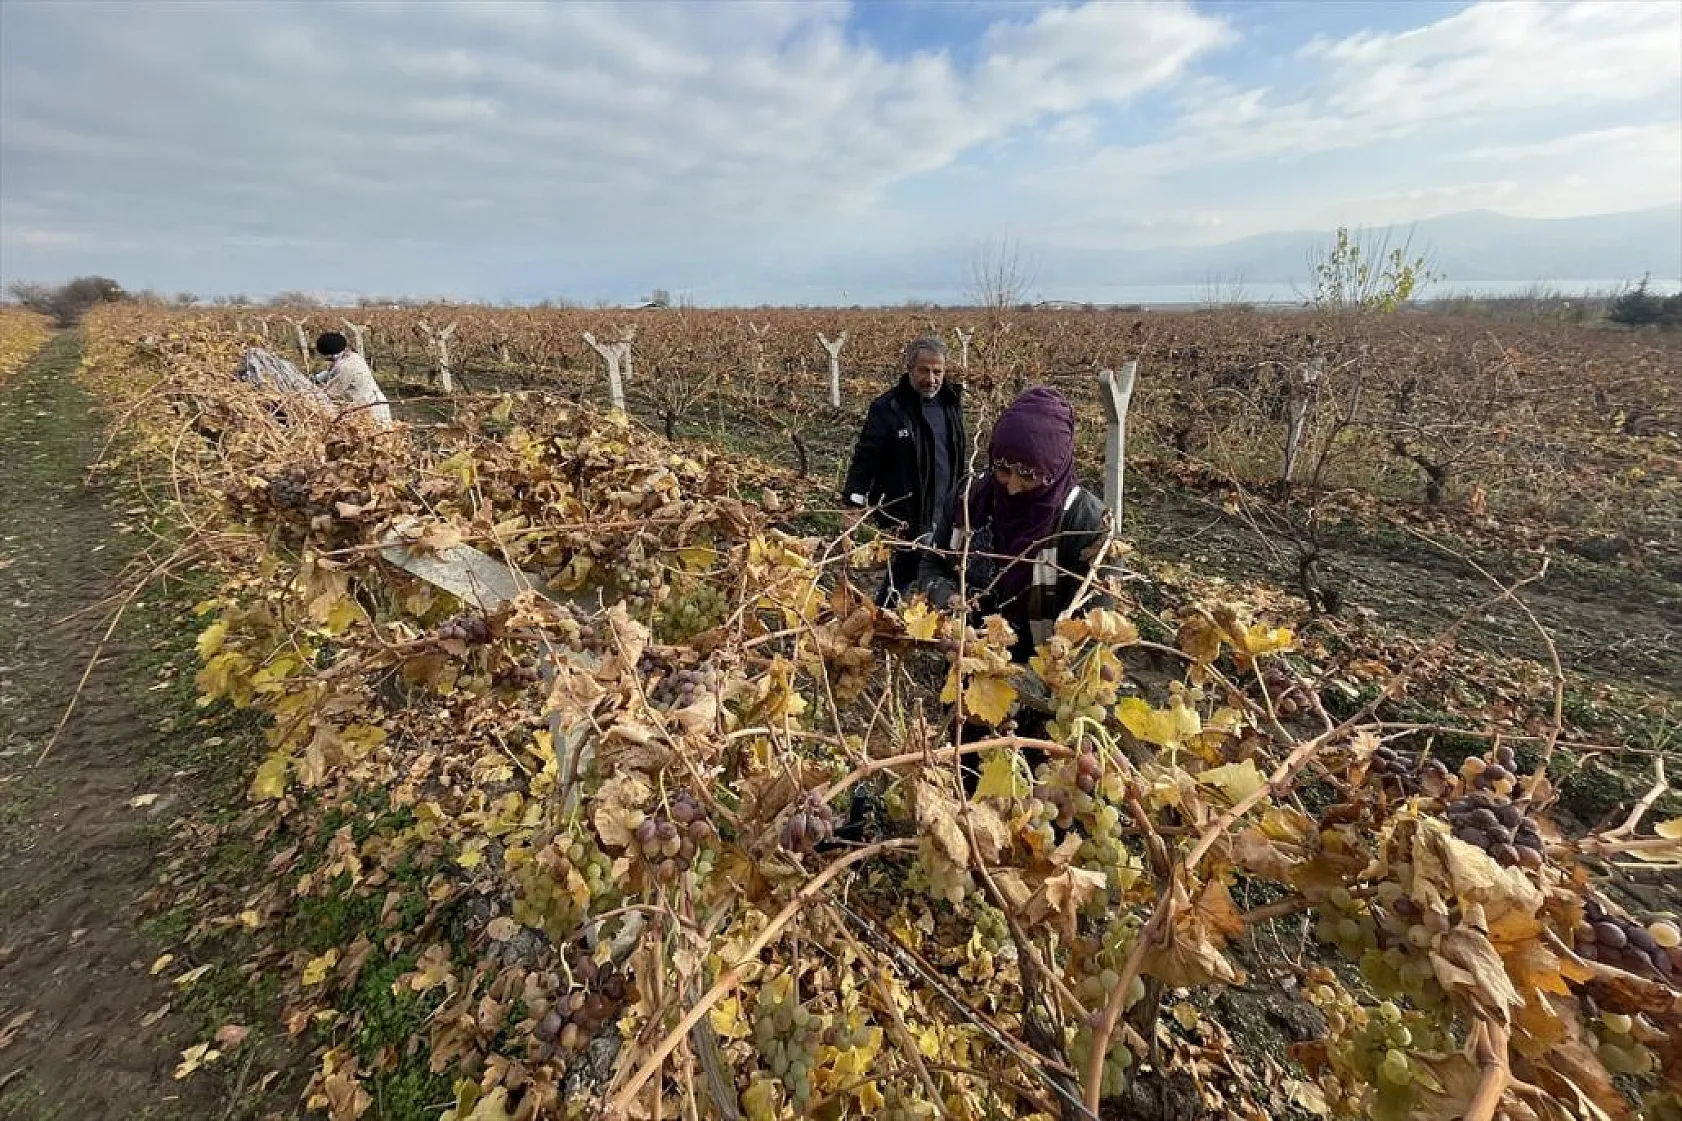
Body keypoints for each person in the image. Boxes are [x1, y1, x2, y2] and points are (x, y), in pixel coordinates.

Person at [916, 386, 1115, 736]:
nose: (1011, 486)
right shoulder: (969, 498)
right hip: (971, 674)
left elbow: (1094, 628)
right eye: (1003, 469)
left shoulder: (1084, 524)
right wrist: (947, 599)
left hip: (1042, 691)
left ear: (1054, 469)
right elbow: (933, 565)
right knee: (967, 771)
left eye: (1029, 474)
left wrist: (1041, 679)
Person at [840, 336, 966, 606]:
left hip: (946, 506)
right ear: (909, 369)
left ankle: (924, 620)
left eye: (937, 372)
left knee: (940, 567)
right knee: (907, 568)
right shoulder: (888, 408)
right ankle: (885, 616)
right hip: (907, 512)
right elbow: (865, 458)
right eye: (924, 370)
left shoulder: (951, 403)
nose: (931, 379)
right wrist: (853, 502)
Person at [314, 331, 392, 428]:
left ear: (328, 354)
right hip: (373, 404)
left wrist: (311, 396)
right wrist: (316, 378)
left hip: (371, 410)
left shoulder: (345, 367)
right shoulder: (351, 356)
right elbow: (330, 372)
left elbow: (331, 394)